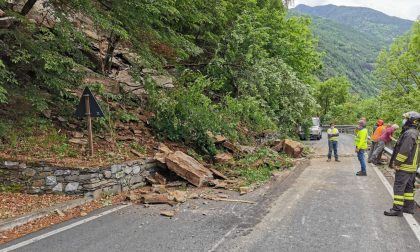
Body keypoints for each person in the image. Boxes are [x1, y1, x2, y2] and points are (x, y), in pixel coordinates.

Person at [384, 112, 420, 216]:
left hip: (405, 166)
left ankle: (397, 209)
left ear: (411, 120)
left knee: (399, 186)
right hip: (412, 167)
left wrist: (397, 163)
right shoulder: (416, 133)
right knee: (409, 188)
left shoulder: (409, 133)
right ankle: (408, 207)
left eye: (406, 118)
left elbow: (404, 150)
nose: (404, 120)